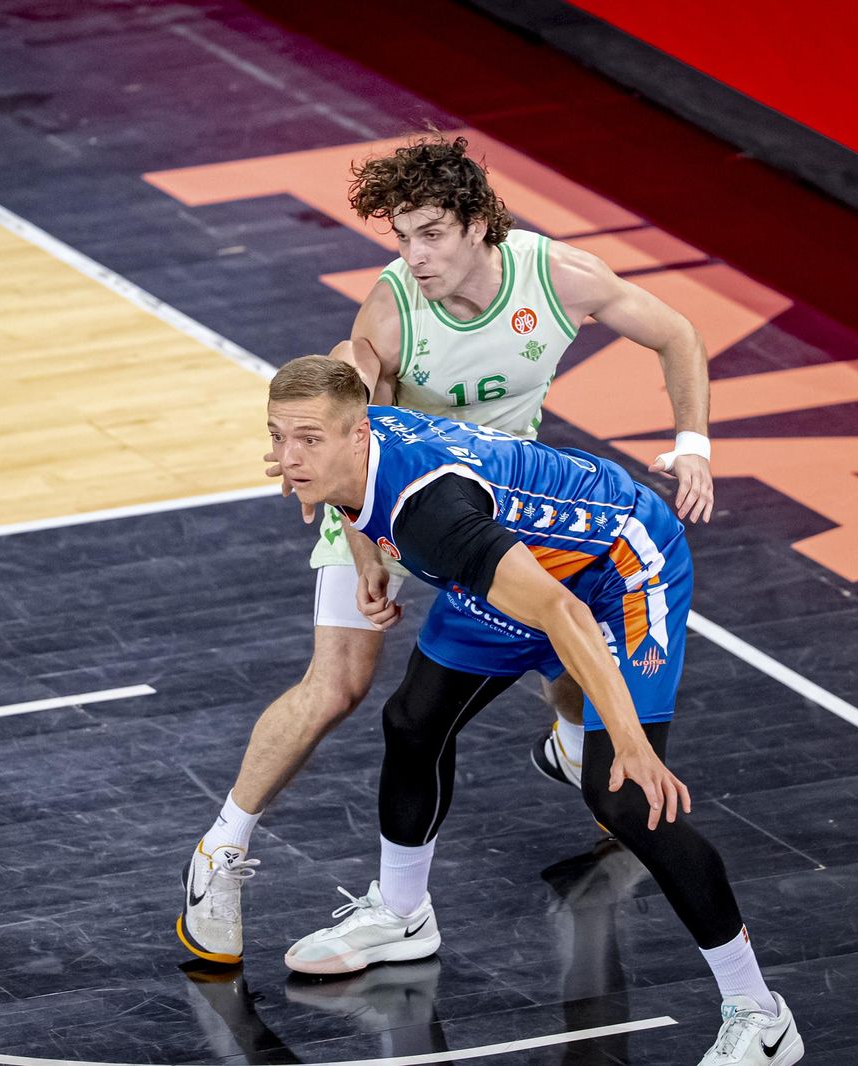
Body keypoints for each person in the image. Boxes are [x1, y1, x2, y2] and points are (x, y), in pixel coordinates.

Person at [179, 133, 716, 967]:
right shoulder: (391, 312)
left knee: (564, 635)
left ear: (477, 223)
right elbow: (355, 432)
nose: (412, 255)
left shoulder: (559, 279)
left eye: (428, 232)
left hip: (501, 505)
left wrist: (693, 444)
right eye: (400, 236)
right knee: (341, 685)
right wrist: (364, 553)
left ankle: (575, 739)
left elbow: (676, 332)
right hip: (386, 500)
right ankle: (219, 853)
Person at [269, 356, 803, 1066]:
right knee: (412, 721)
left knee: (623, 796)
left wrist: (630, 740)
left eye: (305, 440)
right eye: (277, 437)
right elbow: (356, 500)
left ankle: (761, 1016)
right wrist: (367, 558)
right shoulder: (350, 452)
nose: (286, 457)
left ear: (357, 433)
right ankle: (401, 917)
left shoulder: (432, 514)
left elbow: (563, 612)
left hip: (618, 566)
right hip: (522, 562)